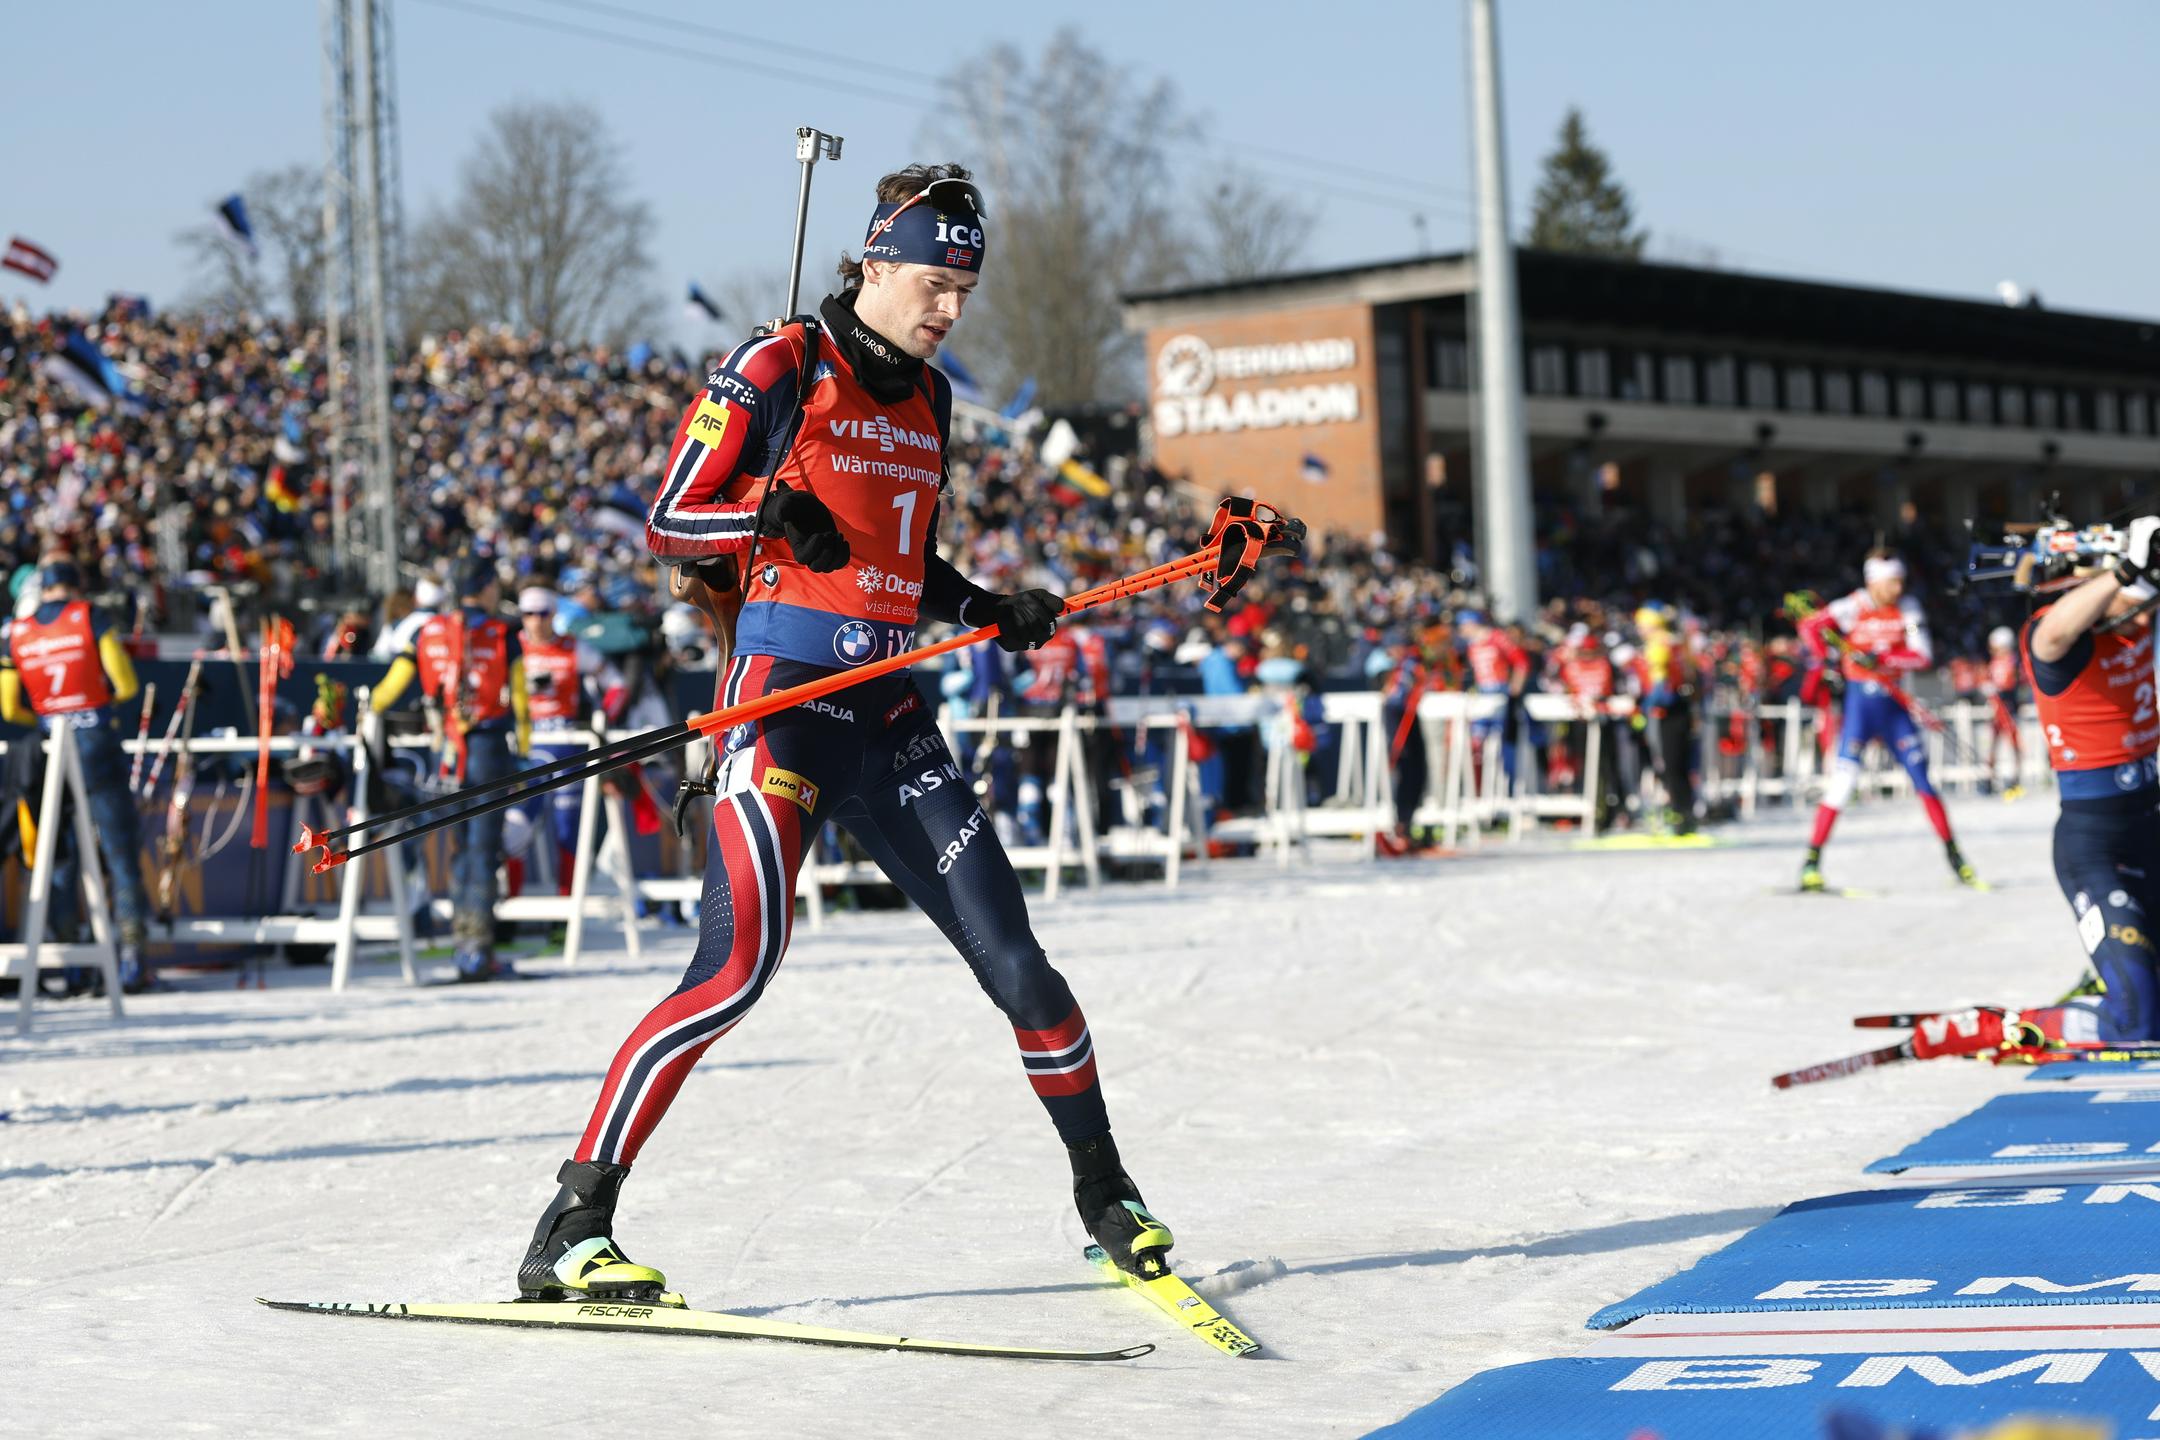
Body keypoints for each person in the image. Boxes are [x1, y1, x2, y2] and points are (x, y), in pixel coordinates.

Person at [520, 162, 1180, 1305]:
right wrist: (764, 512)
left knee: (1023, 968)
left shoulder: (933, 399)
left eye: (966, 288)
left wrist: (983, 606)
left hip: (889, 717)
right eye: (933, 280)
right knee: (730, 973)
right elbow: (672, 520)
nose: (950, 307)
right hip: (779, 709)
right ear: (876, 259)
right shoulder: (779, 363)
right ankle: (571, 1227)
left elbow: (901, 562)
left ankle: (1107, 1198)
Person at [1907, 520, 2160, 1060]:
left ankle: (2104, 980)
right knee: (2140, 1023)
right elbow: (2056, 632)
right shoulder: (2050, 637)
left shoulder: (2130, 618)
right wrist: (2125, 566)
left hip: (2150, 827)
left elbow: (2138, 595)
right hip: (2096, 847)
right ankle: (2015, 1027)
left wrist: (2138, 560)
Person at [370, 557, 529, 980]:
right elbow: (519, 696)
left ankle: (466, 943)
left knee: (460, 846)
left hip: (444, 750)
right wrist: (526, 748)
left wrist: (366, 710)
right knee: (482, 848)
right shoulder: (502, 632)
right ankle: (474, 949)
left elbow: (391, 688)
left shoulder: (427, 630)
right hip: (488, 748)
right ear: (485, 585)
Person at [0, 558, 152, 991]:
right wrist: (93, 709)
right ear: (76, 584)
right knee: (120, 849)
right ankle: (132, 961)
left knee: (59, 852)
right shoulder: (89, 616)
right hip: (94, 740)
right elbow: (125, 684)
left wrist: (50, 720)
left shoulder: (17, 630)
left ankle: (71, 964)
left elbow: (9, 707)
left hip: (49, 744)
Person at [1796, 550, 1975, 892]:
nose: (1898, 587)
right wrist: (1828, 658)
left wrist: (1882, 656)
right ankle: (1811, 862)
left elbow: (1922, 655)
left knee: (1923, 781)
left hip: (1894, 708)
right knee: (1843, 783)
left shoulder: (1908, 609)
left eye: (1900, 580)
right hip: (1860, 709)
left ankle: (1956, 858)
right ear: (1873, 581)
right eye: (1891, 581)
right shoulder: (1852, 606)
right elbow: (1810, 626)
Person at [516, 586, 624, 892]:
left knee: (567, 827)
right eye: (528, 614)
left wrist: (603, 718)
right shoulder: (513, 648)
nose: (536, 621)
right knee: (516, 824)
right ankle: (506, 919)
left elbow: (616, 683)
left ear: (553, 614)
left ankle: (566, 911)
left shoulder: (573, 647)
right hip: (527, 745)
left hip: (567, 745)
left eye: (543, 613)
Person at [1633, 603, 1698, 835]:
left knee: (1669, 764)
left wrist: (1644, 708)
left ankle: (1679, 814)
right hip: (1682, 708)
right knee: (1679, 764)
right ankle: (1685, 812)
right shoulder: (1676, 642)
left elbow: (1661, 685)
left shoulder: (1658, 644)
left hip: (1667, 712)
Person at [1984, 624, 2026, 798]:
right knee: (1992, 742)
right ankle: (1989, 778)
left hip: (2007, 706)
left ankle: (2015, 778)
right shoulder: (1994, 661)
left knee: (2013, 743)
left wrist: (2002, 693)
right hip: (1996, 708)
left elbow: (2017, 683)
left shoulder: (2013, 661)